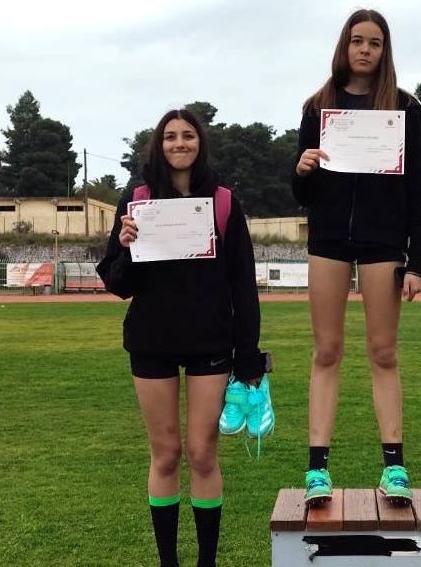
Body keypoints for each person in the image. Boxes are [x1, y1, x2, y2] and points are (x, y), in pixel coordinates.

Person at [97, 108, 265, 567]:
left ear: (200, 143)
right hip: (152, 341)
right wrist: (126, 246)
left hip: (211, 342)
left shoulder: (225, 203)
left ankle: (207, 561)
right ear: (159, 144)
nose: (179, 143)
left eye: (188, 135)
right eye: (170, 136)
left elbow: (243, 286)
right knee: (166, 454)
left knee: (202, 454)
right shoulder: (137, 200)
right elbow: (117, 283)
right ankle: (168, 562)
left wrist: (248, 356)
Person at [291, 8, 421, 507]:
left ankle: (393, 467)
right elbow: (303, 196)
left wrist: (418, 261)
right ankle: (317, 469)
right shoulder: (317, 108)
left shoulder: (407, 109)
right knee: (326, 351)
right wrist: (302, 170)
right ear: (344, 46)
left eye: (374, 42)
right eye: (357, 41)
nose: (365, 49)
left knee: (383, 353)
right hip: (328, 240)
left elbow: (418, 190)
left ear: (384, 49)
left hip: (383, 243)